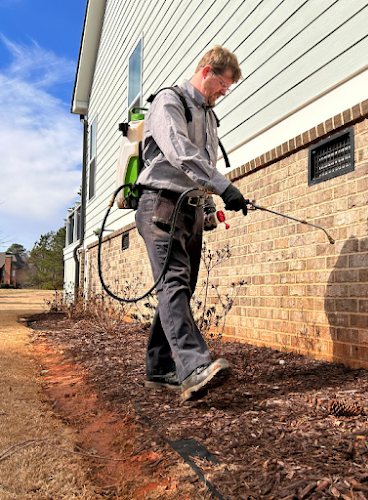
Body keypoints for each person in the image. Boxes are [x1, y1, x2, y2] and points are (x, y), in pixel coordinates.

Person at [135, 46, 247, 402]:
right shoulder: (170, 101)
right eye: (223, 84)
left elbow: (201, 165)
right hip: (161, 204)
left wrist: (212, 204)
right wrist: (225, 186)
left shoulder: (208, 116)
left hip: (191, 207)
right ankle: (192, 368)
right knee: (174, 284)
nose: (223, 92)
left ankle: (159, 366)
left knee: (181, 286)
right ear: (208, 71)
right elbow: (180, 152)